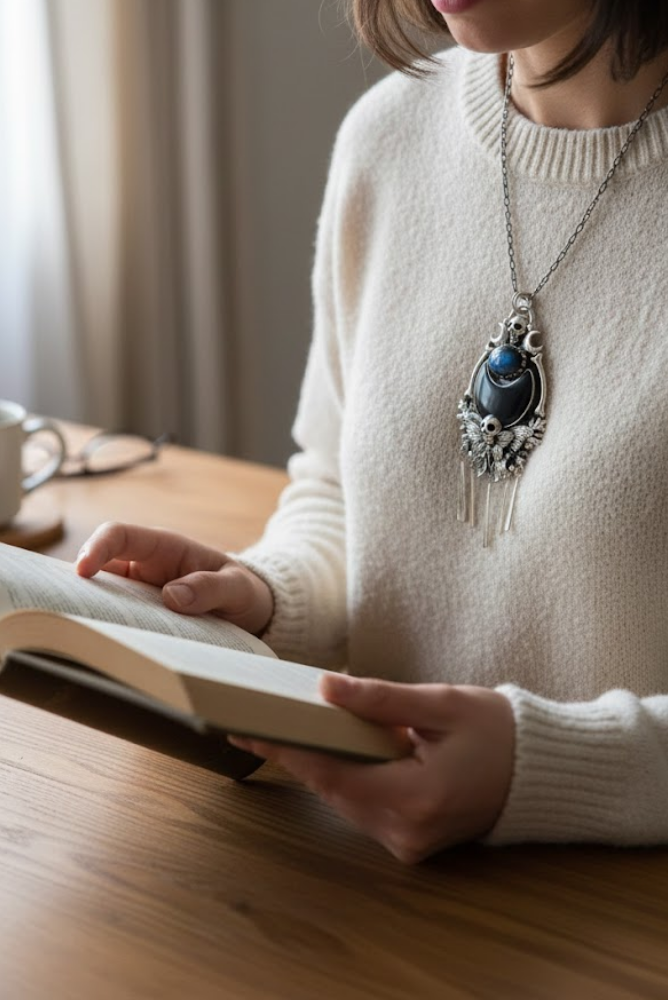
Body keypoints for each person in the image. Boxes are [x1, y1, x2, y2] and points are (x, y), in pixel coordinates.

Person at [77, 0, 668, 863]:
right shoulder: (387, 139)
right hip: (367, 891)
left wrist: (547, 770)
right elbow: (338, 491)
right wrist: (267, 598)